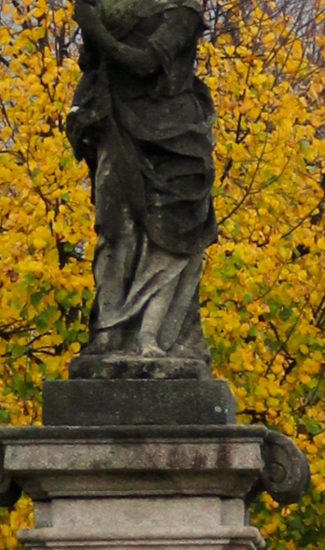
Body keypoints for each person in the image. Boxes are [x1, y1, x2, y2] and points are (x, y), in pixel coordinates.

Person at [66, 0, 216, 372]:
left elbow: (144, 63)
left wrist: (94, 27)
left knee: (174, 238)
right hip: (117, 124)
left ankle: (154, 337)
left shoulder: (182, 9)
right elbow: (92, 67)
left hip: (175, 138)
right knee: (114, 229)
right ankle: (108, 332)